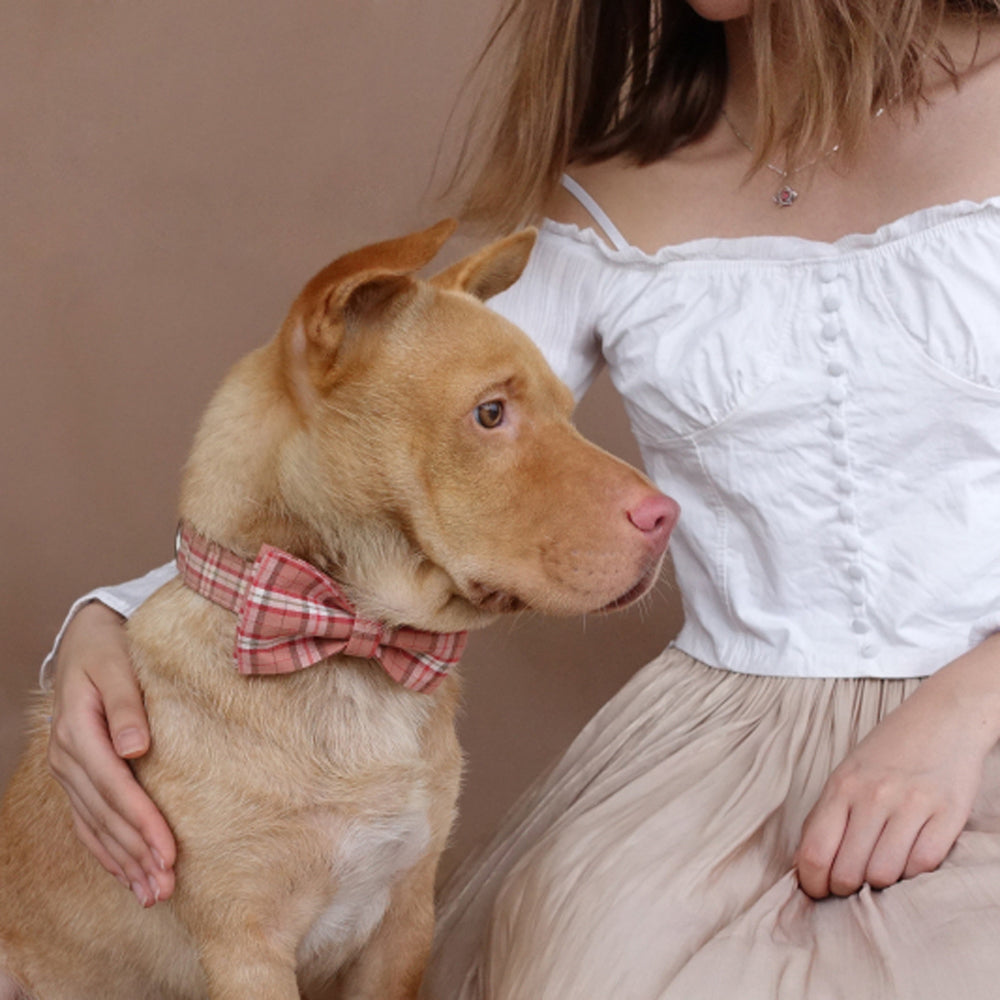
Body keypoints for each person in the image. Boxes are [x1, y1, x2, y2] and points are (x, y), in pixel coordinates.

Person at [42, 0, 1000, 995]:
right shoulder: (609, 203)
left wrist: (959, 714)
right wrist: (107, 618)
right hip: (715, 760)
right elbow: (395, 447)